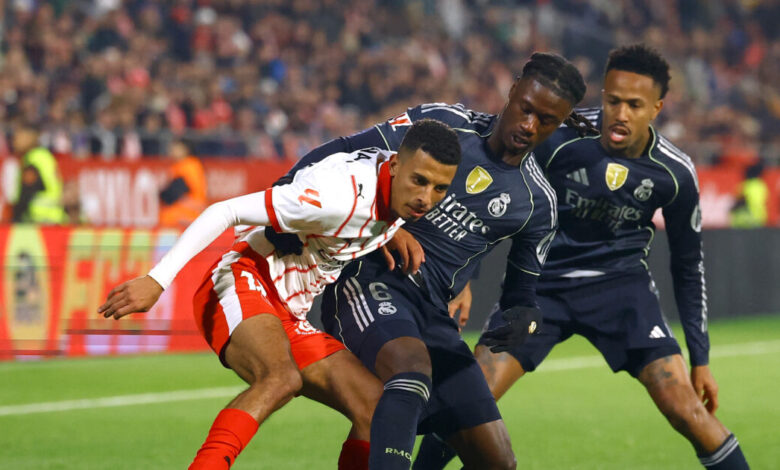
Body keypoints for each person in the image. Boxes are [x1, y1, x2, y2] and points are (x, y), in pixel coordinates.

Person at [417, 44, 750, 470]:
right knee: (468, 399)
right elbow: (498, 197)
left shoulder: (674, 171)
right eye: (613, 101)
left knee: (687, 411)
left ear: (657, 108)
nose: (620, 114)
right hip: (541, 289)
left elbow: (688, 266)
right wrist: (467, 277)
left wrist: (700, 359)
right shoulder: (560, 139)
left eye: (634, 105)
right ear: (603, 94)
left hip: (621, 290)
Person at [268, 52, 588, 469]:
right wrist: (286, 193)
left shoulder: (537, 203)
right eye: (526, 109)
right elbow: (346, 150)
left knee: (498, 460)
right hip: (370, 278)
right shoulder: (445, 122)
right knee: (411, 373)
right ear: (512, 91)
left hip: (433, 315)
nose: (529, 125)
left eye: (546, 120)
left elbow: (522, 295)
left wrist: (524, 321)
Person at [97, 119, 461, 470]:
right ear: (394, 166)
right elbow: (225, 211)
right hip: (244, 278)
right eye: (419, 181)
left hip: (290, 311)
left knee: (378, 409)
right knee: (280, 378)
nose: (426, 198)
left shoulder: (397, 196)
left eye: (439, 188)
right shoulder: (336, 197)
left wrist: (392, 231)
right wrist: (158, 279)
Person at [10, 124, 66, 224]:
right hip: (54, 218)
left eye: (18, 137)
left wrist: (15, 218)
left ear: (30, 138)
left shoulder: (33, 160)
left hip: (41, 221)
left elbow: (26, 193)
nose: (14, 142)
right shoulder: (44, 156)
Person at [159, 139, 208, 227]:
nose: (172, 150)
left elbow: (174, 192)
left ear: (185, 150)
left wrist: (162, 194)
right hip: (190, 211)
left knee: (166, 217)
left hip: (189, 213)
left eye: (176, 148)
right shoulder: (188, 164)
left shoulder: (188, 165)